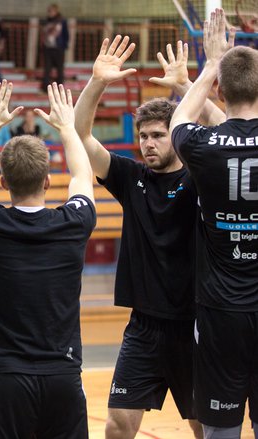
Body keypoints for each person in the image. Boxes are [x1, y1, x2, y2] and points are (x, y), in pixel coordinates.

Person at [74, 35, 226, 439]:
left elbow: (227, 130)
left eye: (158, 135)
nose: (148, 143)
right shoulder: (130, 178)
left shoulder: (201, 177)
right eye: (143, 136)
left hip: (195, 322)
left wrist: (184, 85)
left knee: (206, 428)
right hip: (143, 327)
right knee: (118, 426)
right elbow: (82, 134)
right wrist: (96, 82)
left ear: (174, 136)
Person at [0, 80, 95, 438]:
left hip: (6, 379)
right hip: (63, 377)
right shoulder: (74, 222)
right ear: (49, 181)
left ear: (3, 182)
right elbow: (83, 175)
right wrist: (67, 128)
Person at [169, 8, 258, 438]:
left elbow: (178, 121)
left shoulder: (204, 147)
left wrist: (209, 64)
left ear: (220, 89)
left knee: (220, 428)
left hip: (221, 310)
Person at [41, 4, 69, 92]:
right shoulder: (46, 21)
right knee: (47, 68)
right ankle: (45, 87)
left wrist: (64, 45)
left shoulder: (62, 21)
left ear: (56, 11)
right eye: (49, 11)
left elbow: (66, 34)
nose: (50, 13)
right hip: (48, 47)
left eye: (51, 11)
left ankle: (60, 88)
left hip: (58, 48)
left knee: (60, 68)